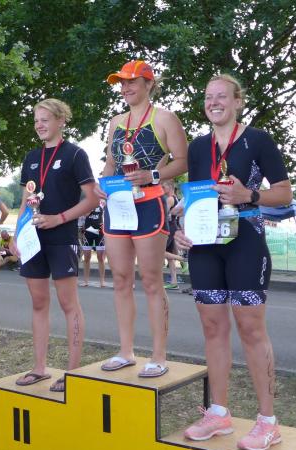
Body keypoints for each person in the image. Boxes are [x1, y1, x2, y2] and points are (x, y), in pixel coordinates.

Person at [174, 74, 293, 450]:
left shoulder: (258, 140)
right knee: (212, 327)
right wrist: (182, 229)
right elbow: (196, 197)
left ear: (238, 101)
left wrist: (250, 194)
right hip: (206, 245)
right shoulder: (197, 147)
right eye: (208, 97)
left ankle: (268, 422)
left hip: (246, 240)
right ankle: (218, 413)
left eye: (221, 96)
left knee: (251, 329)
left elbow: (285, 193)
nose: (214, 102)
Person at [97, 60, 188, 378]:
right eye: (121, 83)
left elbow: (182, 161)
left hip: (149, 204)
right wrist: (102, 185)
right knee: (121, 279)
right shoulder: (115, 122)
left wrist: (153, 175)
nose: (125, 88)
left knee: (151, 280)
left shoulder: (165, 118)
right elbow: (111, 162)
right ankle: (126, 351)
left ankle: (159, 356)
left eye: (132, 81)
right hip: (118, 205)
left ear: (149, 84)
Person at [12, 98, 98, 391]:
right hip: (33, 239)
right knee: (38, 303)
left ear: (61, 121)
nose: (39, 125)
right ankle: (39, 368)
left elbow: (92, 199)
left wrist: (59, 218)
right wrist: (17, 233)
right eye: (36, 120)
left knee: (68, 304)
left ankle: (73, 372)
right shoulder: (31, 157)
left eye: (45, 119)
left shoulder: (75, 155)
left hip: (62, 238)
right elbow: (26, 200)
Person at [162, 180, 185, 290]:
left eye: (164, 187)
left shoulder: (170, 199)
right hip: (173, 226)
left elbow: (163, 213)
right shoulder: (175, 198)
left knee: (159, 252)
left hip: (168, 227)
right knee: (169, 256)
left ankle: (183, 259)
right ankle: (174, 282)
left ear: (170, 187)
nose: (162, 189)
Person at [80, 201, 107, 287]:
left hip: (100, 232)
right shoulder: (87, 201)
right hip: (88, 232)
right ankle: (86, 281)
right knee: (86, 257)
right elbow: (85, 214)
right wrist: (92, 205)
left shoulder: (102, 202)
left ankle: (102, 281)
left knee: (100, 257)